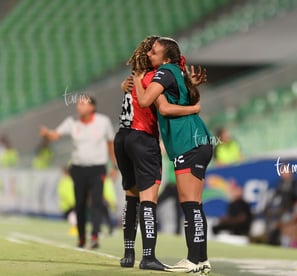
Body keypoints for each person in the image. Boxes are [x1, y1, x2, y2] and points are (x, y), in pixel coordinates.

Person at [115, 35, 205, 270]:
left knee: (131, 197)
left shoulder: (135, 79)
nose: (148, 54)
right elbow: (160, 106)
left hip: (122, 136)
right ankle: (149, 257)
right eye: (150, 51)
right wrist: (193, 105)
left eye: (152, 51)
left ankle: (127, 254)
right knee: (150, 200)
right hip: (143, 139)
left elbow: (136, 96)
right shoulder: (153, 77)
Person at [135, 37, 213, 274]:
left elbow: (148, 101)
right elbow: (172, 100)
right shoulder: (175, 72)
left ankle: (193, 260)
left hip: (188, 143)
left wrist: (138, 79)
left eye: (154, 52)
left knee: (190, 205)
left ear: (166, 58)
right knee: (195, 205)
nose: (149, 54)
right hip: (197, 141)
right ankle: (202, 260)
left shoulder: (165, 72)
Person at [40, 97, 117, 249]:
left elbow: (110, 143)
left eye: (82, 104)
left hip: (97, 168)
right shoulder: (72, 122)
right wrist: (47, 134)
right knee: (80, 204)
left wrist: (114, 166)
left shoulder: (103, 122)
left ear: (92, 107)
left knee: (96, 202)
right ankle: (82, 237)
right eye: (78, 104)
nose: (78, 107)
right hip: (78, 169)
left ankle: (95, 236)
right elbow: (55, 135)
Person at [264, 165, 297, 246]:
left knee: (286, 226)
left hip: (289, 211)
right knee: (273, 226)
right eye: (282, 171)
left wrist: (295, 211)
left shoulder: (294, 183)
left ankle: (286, 244)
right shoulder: (279, 184)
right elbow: (274, 198)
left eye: (286, 171)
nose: (284, 173)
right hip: (278, 212)